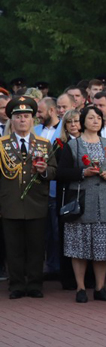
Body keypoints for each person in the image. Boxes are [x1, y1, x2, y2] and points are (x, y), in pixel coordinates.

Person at [56, 105, 106, 303]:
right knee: (79, 247)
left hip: (104, 201)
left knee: (102, 249)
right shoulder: (73, 146)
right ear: (83, 122)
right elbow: (61, 173)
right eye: (91, 118)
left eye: (98, 118)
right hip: (81, 201)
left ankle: (100, 288)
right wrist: (83, 173)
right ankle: (81, 287)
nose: (95, 121)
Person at [0, 96, 54, 299]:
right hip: (10, 202)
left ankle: (34, 284)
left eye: (27, 116)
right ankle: (16, 285)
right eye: (18, 116)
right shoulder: (1, 145)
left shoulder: (43, 144)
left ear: (33, 120)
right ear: (11, 120)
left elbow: (53, 171)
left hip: (36, 202)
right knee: (13, 247)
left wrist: (44, 170)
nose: (23, 120)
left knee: (36, 246)